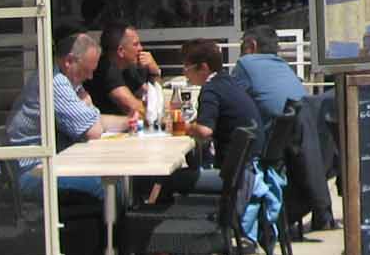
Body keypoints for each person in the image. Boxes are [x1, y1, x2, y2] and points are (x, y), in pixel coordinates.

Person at [6, 32, 133, 201]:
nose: (90, 77)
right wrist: (88, 104)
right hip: (31, 171)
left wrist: (130, 121)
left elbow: (95, 121)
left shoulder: (67, 79)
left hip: (43, 165)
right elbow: (93, 131)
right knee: (106, 186)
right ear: (69, 61)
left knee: (115, 180)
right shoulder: (55, 82)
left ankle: (110, 226)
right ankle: (108, 228)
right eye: (86, 71)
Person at [170, 39, 263, 195]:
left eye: (187, 67)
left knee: (167, 179)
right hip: (251, 170)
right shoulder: (228, 81)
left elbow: (205, 131)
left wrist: (183, 126)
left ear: (204, 67)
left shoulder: (210, 90)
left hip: (234, 178)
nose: (184, 73)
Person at [233, 24, 308, 121]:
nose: (240, 54)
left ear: (252, 45)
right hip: (304, 129)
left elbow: (229, 99)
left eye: (242, 47)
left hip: (276, 132)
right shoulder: (284, 66)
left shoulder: (246, 62)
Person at [89, 22, 162, 117]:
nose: (141, 48)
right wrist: (155, 106)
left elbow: (153, 96)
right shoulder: (106, 70)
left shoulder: (127, 67)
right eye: (135, 44)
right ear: (120, 51)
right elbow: (136, 110)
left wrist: (155, 72)